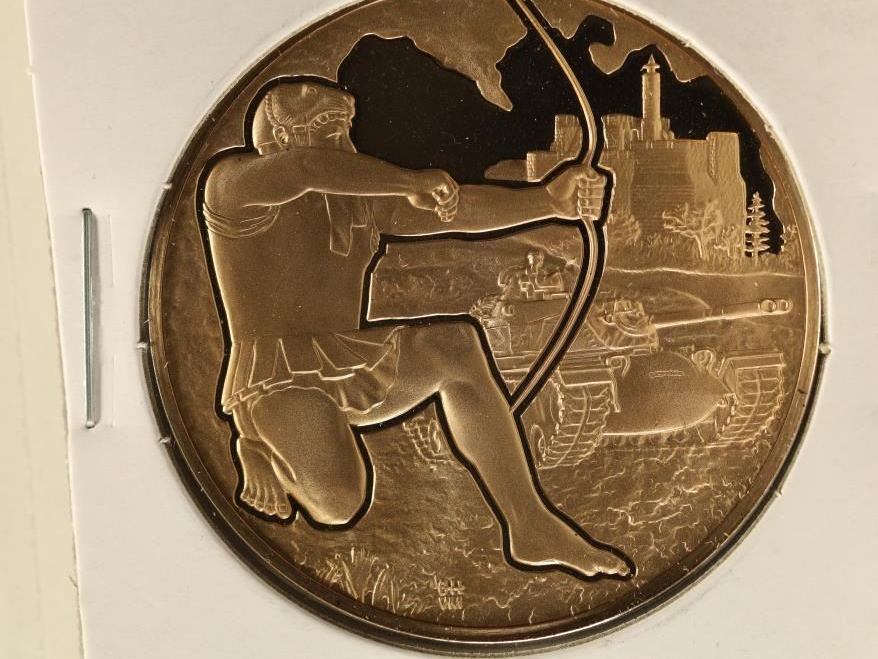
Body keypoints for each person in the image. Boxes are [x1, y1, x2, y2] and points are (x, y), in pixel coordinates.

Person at [202, 79, 630, 578]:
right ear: (280, 136)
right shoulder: (232, 186)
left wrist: (548, 202)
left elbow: (454, 211)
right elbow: (305, 169)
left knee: (455, 347)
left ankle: (530, 525)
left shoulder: (358, 203)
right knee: (338, 504)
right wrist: (407, 179)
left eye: (343, 132)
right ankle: (255, 442)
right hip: (278, 377)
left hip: (349, 360)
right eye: (323, 132)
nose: (341, 145)